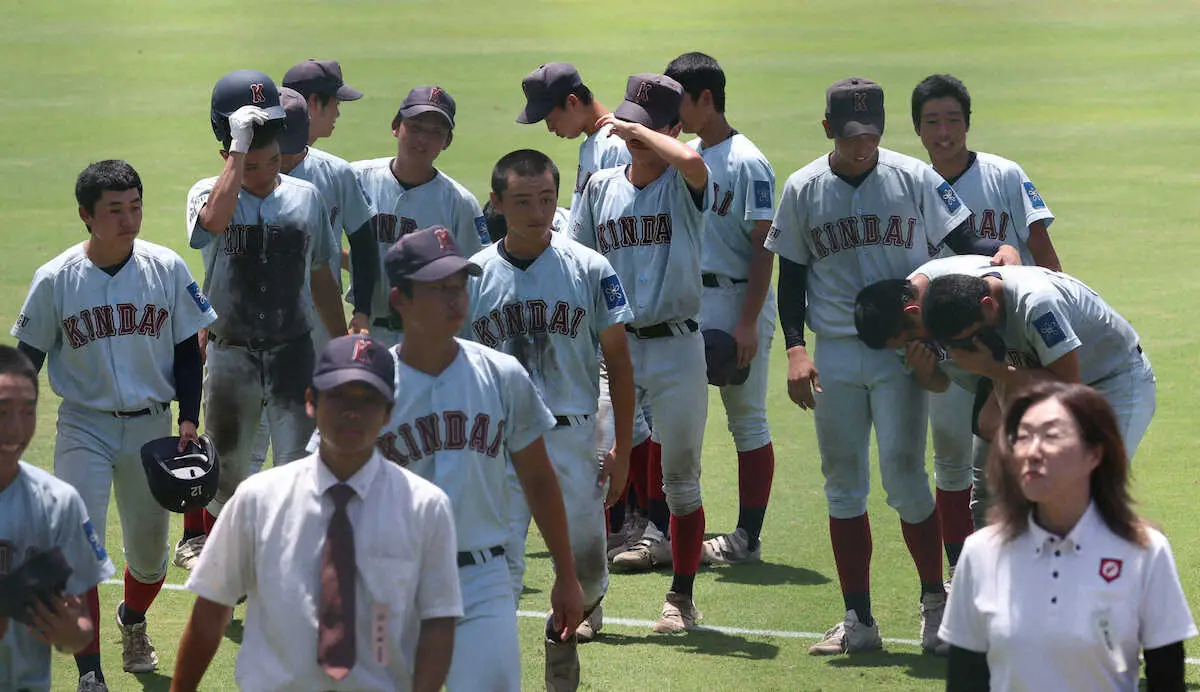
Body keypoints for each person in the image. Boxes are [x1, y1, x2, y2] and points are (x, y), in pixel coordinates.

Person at [764, 76, 1019, 656]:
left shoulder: (913, 176)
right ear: (828, 128)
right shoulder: (803, 187)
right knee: (842, 483)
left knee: (906, 475)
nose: (863, 146)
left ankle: (936, 605)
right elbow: (792, 275)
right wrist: (795, 347)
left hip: (906, 347)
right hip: (836, 350)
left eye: (872, 135)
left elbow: (964, 236)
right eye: (852, 136)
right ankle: (859, 620)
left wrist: (997, 252)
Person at [11, 159, 216, 685]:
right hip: (84, 427)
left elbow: (188, 352)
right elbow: (26, 363)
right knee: (75, 546)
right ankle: (91, 673)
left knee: (150, 561)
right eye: (115, 210)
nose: (129, 219)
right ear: (86, 215)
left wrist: (189, 419)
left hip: (153, 427)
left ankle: (133, 618)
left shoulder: (166, 268)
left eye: (136, 206)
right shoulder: (56, 280)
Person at [172, 334, 462, 692]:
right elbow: (209, 615)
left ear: (389, 412)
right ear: (311, 401)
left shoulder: (425, 508)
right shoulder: (258, 500)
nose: (352, 411)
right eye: (338, 396)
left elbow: (438, 625)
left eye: (368, 399)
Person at [378, 226, 584, 690]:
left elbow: (539, 478)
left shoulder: (502, 375)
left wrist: (567, 574)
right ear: (400, 299)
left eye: (459, 286)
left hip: (483, 579)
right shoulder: (368, 388)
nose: (455, 299)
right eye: (438, 289)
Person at [465, 150, 635, 684]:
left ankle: (567, 633)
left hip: (571, 435)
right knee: (500, 573)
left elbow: (621, 364)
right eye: (522, 202)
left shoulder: (589, 267)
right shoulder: (473, 276)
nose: (538, 212)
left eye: (546, 199)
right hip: (497, 445)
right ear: (496, 203)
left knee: (585, 570)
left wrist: (623, 448)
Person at [569, 73, 712, 634]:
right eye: (629, 124)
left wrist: (637, 131)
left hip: (677, 346)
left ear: (674, 130)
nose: (633, 136)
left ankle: (681, 597)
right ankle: (591, 600)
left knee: (681, 477)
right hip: (615, 348)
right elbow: (579, 263)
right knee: (598, 472)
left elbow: (693, 164)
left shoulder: (684, 181)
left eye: (648, 127)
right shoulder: (601, 186)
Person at [184, 70, 346, 563]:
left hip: (293, 354)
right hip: (231, 355)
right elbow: (208, 227)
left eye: (274, 161)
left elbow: (321, 279)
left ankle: (289, 568)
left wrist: (340, 349)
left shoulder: (305, 198)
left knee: (298, 469)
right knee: (226, 475)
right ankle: (230, 565)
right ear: (229, 158)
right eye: (252, 164)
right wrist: (238, 155)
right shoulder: (207, 194)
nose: (267, 172)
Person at [940, 381, 1196, 690]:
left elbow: (1167, 678)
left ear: (1094, 454)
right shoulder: (980, 552)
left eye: (1051, 436)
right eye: (1022, 437)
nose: (1032, 451)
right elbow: (965, 680)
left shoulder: (1144, 550)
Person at [911, 72, 1063, 559]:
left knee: (1022, 456)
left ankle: (1030, 556)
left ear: (968, 123)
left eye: (953, 120)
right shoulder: (911, 186)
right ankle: (962, 569)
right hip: (950, 345)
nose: (944, 132)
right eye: (932, 122)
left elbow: (1041, 249)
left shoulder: (1003, 174)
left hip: (1014, 335)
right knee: (952, 462)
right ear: (917, 129)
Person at [515, 62, 652, 558]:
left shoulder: (615, 142)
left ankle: (640, 520)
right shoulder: (595, 143)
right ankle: (631, 517)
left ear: (573, 102)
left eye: (549, 116)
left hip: (611, 290)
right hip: (598, 286)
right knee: (616, 416)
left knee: (625, 416)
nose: (548, 128)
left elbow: (624, 222)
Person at [233, 88, 380, 485]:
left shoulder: (330, 176)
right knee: (240, 456)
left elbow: (361, 248)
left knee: (300, 457)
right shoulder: (237, 184)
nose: (294, 159)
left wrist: (358, 314)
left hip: (311, 336)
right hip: (248, 339)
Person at [665, 51, 777, 566]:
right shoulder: (688, 153)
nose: (675, 110)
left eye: (680, 99)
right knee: (677, 418)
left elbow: (762, 246)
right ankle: (665, 528)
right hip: (693, 301)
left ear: (706, 99)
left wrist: (749, 321)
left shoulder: (748, 161)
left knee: (746, 419)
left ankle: (746, 538)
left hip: (737, 298)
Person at [922, 266, 1156, 460]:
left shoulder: (1039, 307)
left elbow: (1068, 387)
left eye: (966, 339)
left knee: (1093, 483)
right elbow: (992, 418)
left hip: (1114, 381)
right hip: (1053, 382)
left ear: (988, 305)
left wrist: (992, 368)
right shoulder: (970, 300)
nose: (966, 347)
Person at [855, 255, 1007, 536]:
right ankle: (969, 572)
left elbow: (1005, 279)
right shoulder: (903, 323)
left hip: (1024, 368)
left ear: (913, 313)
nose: (907, 346)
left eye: (904, 342)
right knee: (982, 485)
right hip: (991, 387)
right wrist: (923, 373)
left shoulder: (954, 282)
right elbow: (941, 384)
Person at [0, 345, 114, 692]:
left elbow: (78, 630)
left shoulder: (58, 503)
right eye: (2, 411)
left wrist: (71, 634)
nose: (16, 429)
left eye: (28, 411)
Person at [353, 85, 490, 347]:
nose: (423, 140)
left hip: (432, 338)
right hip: (368, 332)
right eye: (415, 127)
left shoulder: (460, 203)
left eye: (436, 132)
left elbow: (478, 280)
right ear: (396, 126)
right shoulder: (356, 179)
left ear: (447, 141)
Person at [281, 58, 363, 146]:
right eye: (336, 104)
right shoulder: (295, 157)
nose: (337, 114)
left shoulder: (272, 146)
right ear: (314, 102)